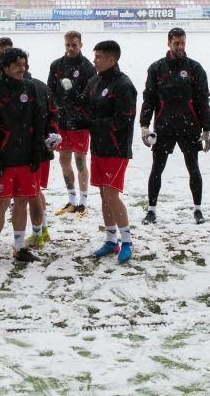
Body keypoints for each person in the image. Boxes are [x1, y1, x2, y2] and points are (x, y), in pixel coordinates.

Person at [67, 40, 137, 263]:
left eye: (98, 57)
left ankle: (127, 241)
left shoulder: (124, 84)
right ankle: (110, 240)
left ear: (112, 59)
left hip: (116, 149)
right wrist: (69, 102)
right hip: (98, 148)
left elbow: (122, 120)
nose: (94, 60)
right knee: (103, 195)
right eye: (94, 56)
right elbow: (84, 103)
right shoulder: (95, 80)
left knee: (111, 194)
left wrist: (90, 124)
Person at [0, 47, 48, 268]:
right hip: (5, 158)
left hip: (27, 158)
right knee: (1, 202)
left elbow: (39, 120)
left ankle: (19, 248)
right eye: (18, 64)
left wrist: (38, 150)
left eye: (24, 64)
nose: (22, 68)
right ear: (6, 67)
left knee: (22, 201)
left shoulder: (31, 87)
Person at [139, 27, 210, 225]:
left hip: (190, 127)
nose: (180, 46)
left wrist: (207, 129)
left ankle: (198, 210)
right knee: (157, 169)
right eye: (176, 43)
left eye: (183, 43)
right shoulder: (156, 68)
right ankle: (151, 210)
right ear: (169, 43)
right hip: (164, 128)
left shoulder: (195, 69)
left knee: (193, 168)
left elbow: (202, 100)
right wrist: (144, 126)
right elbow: (149, 99)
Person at [47, 30, 96, 216]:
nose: (71, 48)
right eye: (68, 44)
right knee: (64, 160)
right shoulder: (56, 65)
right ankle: (72, 199)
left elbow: (90, 96)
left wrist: (74, 92)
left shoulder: (88, 67)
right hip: (62, 122)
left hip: (80, 122)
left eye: (74, 44)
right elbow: (50, 92)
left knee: (80, 161)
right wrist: (54, 114)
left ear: (81, 45)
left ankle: (83, 202)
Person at [27, 71, 61, 249]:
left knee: (33, 193)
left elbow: (53, 114)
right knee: (36, 191)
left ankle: (38, 234)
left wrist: (50, 136)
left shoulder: (35, 88)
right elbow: (55, 115)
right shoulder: (43, 87)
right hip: (41, 149)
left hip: (34, 151)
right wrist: (52, 135)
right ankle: (43, 229)